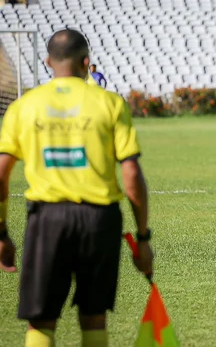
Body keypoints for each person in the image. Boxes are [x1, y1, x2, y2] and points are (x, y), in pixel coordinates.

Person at [0, 29, 153, 347]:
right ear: (87, 62)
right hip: (100, 220)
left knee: (41, 320)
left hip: (47, 219)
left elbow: (1, 174)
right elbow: (132, 175)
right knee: (94, 316)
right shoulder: (109, 103)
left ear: (47, 62)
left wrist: (1, 233)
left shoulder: (25, 106)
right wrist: (142, 238)